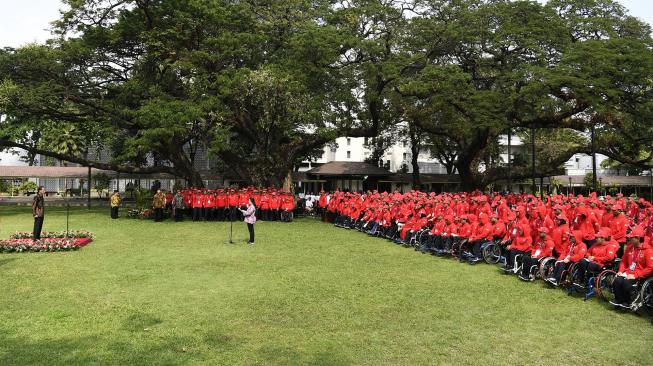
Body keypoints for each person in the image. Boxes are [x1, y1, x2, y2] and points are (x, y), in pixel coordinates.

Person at [610, 227, 653, 309]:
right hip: (628, 272)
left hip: (639, 274)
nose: (629, 239)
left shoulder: (648, 251)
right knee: (617, 280)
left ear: (638, 238)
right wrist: (620, 271)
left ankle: (627, 302)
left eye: (631, 237)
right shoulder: (630, 248)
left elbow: (650, 268)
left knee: (626, 283)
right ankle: (618, 300)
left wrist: (636, 275)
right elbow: (623, 261)